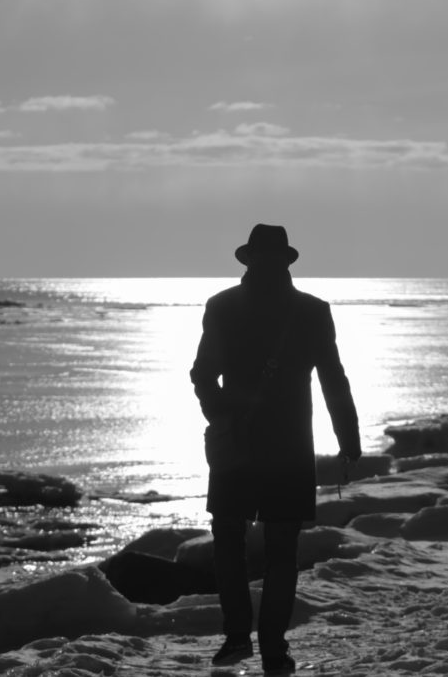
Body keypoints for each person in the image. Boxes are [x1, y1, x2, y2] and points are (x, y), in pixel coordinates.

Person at [189, 224, 362, 674]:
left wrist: (221, 415)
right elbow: (333, 381)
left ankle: (238, 638)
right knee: (280, 551)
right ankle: (272, 650)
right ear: (286, 261)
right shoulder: (311, 310)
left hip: (241, 442)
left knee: (229, 539)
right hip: (288, 444)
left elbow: (203, 375)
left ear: (250, 260)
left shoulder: (223, 306)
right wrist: (349, 440)